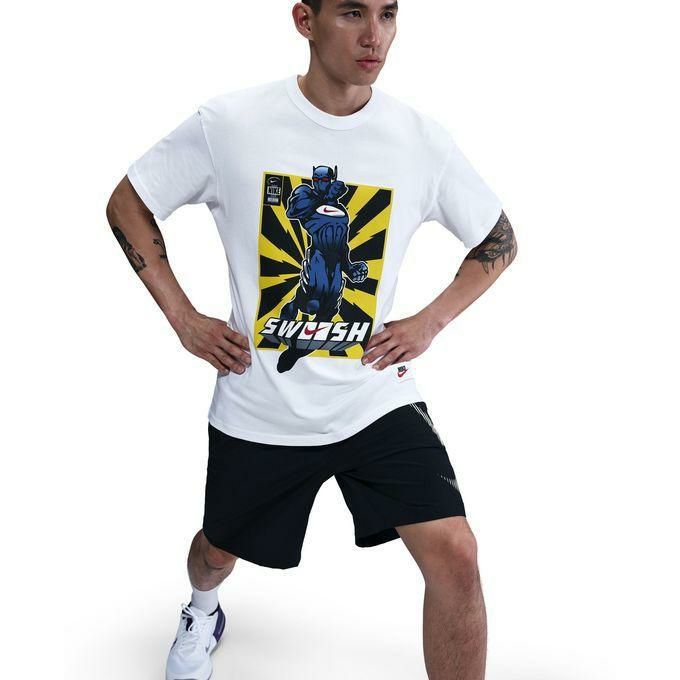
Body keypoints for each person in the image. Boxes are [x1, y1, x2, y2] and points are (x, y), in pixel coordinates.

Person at [105, 1, 518, 678]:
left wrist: (429, 321)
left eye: (388, 14)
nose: (374, 36)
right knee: (215, 553)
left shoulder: (420, 141)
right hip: (261, 405)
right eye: (353, 13)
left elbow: (497, 240)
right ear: (305, 20)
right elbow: (129, 200)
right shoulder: (232, 124)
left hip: (373, 399)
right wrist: (183, 318)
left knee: (457, 553)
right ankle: (202, 610)